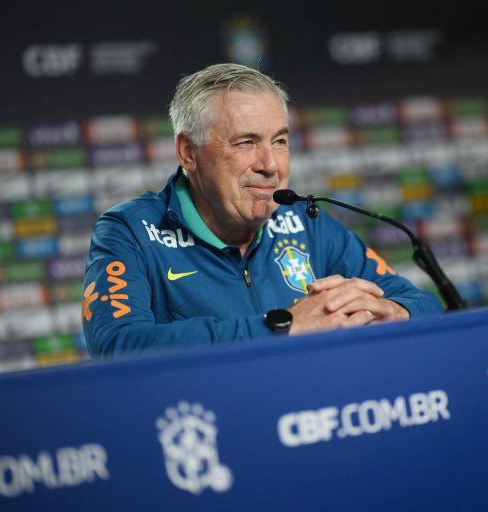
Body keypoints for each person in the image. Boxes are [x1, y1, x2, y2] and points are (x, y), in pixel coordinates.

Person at [82, 63, 443, 357]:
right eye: (246, 142)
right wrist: (282, 325)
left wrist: (394, 311)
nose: (270, 165)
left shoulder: (304, 222)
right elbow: (118, 345)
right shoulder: (130, 230)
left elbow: (423, 303)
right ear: (188, 153)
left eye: (280, 141)